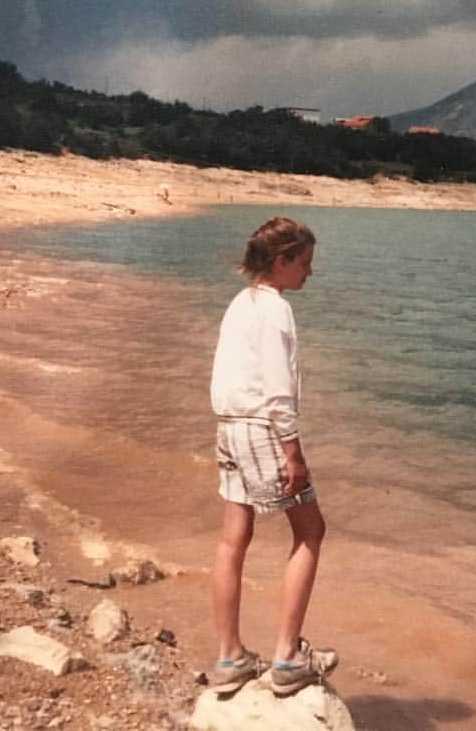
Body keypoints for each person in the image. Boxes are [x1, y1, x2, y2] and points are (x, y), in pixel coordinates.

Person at [208, 215, 338, 696]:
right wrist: (293, 452)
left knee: (232, 538)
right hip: (263, 429)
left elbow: (227, 375)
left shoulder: (240, 304)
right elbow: (279, 392)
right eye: (304, 263)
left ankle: (230, 657)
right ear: (281, 261)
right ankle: (286, 659)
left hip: (229, 427)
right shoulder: (275, 310)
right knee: (311, 530)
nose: (309, 272)